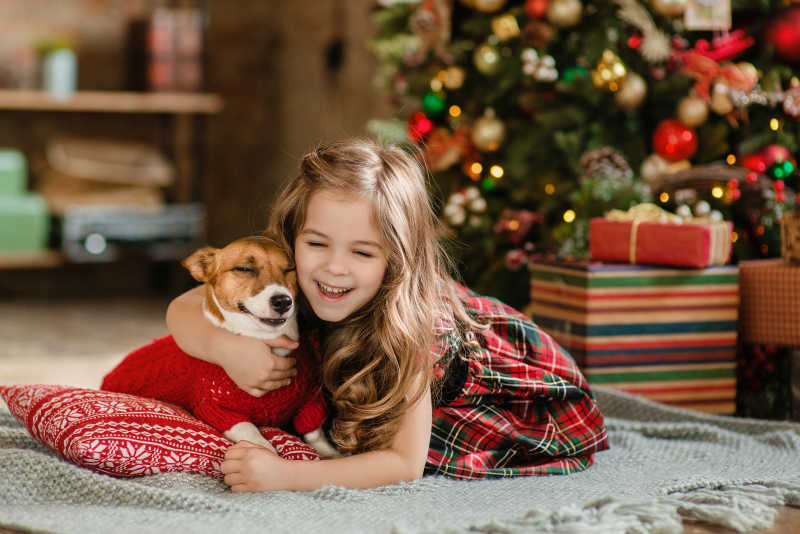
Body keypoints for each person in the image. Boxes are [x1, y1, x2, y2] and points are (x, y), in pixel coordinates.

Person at [166, 138, 608, 492]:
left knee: (369, 438)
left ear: (395, 260)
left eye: (362, 252)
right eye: (317, 243)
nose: (334, 268)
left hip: (509, 397)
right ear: (292, 235)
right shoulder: (288, 273)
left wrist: (288, 477)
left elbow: (404, 462)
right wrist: (227, 348)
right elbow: (183, 307)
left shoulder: (415, 329)